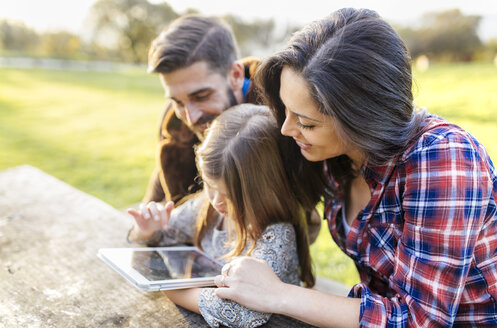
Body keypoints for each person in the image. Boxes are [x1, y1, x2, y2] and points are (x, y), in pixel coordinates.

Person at [212, 8, 497, 327]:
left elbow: (422, 320)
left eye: (305, 122)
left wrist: (279, 294)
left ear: (360, 121)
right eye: (286, 110)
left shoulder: (444, 156)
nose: (287, 129)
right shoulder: (332, 158)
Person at [128, 104, 314, 328]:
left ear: (264, 189)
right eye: (208, 185)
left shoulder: (276, 235)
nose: (216, 201)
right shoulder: (207, 208)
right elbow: (166, 235)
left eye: (228, 195)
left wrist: (168, 288)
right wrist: (149, 229)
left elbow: (242, 312)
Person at [142, 14, 322, 242]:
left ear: (236, 75)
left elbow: (305, 211)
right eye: (177, 101)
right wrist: (148, 220)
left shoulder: (282, 117)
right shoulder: (175, 122)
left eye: (201, 96)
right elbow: (159, 193)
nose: (190, 116)